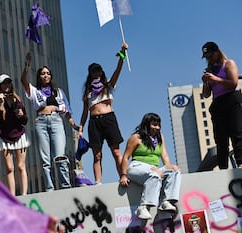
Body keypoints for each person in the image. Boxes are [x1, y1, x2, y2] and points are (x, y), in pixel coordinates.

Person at [21, 53, 80, 192]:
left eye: (48, 73)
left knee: (60, 156)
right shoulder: (35, 91)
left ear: (51, 76)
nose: (45, 75)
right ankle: (50, 188)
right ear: (39, 76)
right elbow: (23, 80)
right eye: (42, 73)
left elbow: (66, 112)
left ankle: (65, 186)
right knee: (45, 158)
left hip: (56, 121)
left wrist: (73, 125)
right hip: (41, 122)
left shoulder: (59, 92)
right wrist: (27, 65)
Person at [79, 42, 128, 185]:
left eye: (98, 71)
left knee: (116, 152)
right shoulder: (88, 93)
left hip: (109, 119)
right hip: (94, 122)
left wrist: (122, 54)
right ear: (90, 74)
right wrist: (81, 127)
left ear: (101, 72)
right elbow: (84, 112)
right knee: (97, 155)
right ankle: (98, 182)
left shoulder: (108, 86)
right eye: (93, 72)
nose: (96, 74)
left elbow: (117, 70)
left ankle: (123, 176)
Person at [119, 113, 181, 220]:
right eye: (154, 125)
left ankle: (166, 202)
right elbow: (125, 157)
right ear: (147, 125)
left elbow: (164, 155)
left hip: (154, 168)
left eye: (158, 125)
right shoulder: (136, 137)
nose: (157, 128)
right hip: (137, 166)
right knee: (154, 174)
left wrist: (168, 168)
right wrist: (123, 175)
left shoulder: (160, 137)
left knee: (175, 170)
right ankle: (143, 207)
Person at [201, 41, 242, 169]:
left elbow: (233, 83)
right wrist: (206, 83)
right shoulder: (209, 70)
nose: (209, 59)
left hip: (233, 100)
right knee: (221, 138)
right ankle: (223, 167)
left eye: (211, 55)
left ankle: (240, 163)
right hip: (218, 103)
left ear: (217, 52)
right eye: (207, 57)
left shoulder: (229, 64)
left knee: (236, 132)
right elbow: (206, 95)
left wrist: (216, 79)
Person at [0, 74, 30, 195]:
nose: (7, 85)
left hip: (19, 135)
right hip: (4, 137)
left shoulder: (17, 99)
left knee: (21, 166)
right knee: (9, 168)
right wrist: (1, 105)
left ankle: (25, 194)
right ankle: (12, 195)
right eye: (4, 83)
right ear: (0, 86)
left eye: (8, 83)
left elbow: (25, 121)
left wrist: (21, 115)